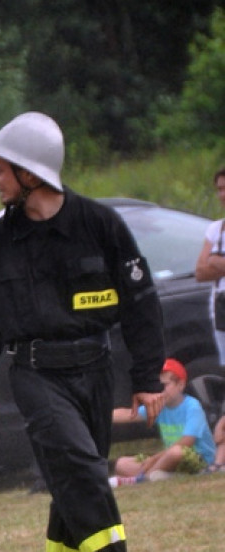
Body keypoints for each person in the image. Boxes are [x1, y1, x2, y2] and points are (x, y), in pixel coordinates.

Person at [0, 111, 180, 552]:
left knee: (69, 484)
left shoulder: (101, 225)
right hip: (36, 375)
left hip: (96, 369)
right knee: (82, 469)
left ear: (31, 174)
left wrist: (148, 376)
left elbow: (141, 305)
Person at [110, 357, 216, 484]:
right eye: (158, 385)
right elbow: (128, 414)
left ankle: (141, 479)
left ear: (180, 385)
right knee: (121, 463)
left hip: (199, 460)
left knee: (176, 452)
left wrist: (154, 459)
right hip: (167, 458)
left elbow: (186, 442)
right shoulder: (159, 406)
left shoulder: (192, 407)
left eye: (165, 385)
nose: (160, 390)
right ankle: (161, 475)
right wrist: (96, 416)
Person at [194, 167, 225, 365]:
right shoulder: (216, 228)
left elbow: (210, 263)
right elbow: (201, 271)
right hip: (221, 308)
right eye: (219, 189)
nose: (222, 195)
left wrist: (215, 260)